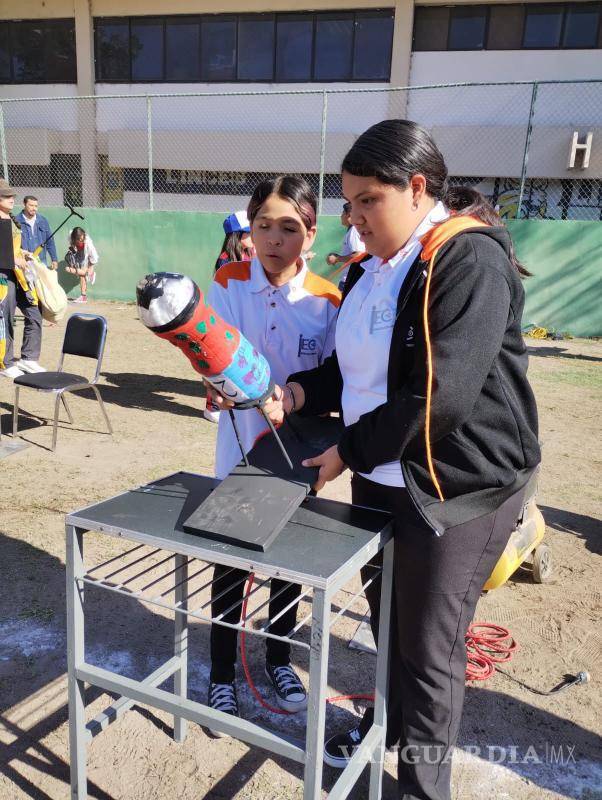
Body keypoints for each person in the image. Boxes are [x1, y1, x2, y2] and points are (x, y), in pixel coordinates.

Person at [263, 120, 541, 800]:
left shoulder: (465, 261)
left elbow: (436, 400)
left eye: (368, 202)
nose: (354, 219)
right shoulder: (373, 269)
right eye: (349, 203)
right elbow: (357, 370)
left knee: (428, 653)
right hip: (382, 475)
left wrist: (344, 452)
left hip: (455, 487)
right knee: (389, 624)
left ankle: (421, 788)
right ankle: (383, 725)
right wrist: (303, 390)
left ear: (417, 188)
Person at [205, 175, 341, 731]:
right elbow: (210, 352)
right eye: (263, 225)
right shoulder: (228, 281)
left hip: (300, 450)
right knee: (231, 561)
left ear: (310, 234)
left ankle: (280, 659)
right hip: (237, 445)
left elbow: (334, 380)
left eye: (289, 228)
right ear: (249, 227)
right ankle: (220, 674)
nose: (274, 239)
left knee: (287, 561)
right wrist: (214, 381)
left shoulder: (328, 299)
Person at [0, 179, 45, 378]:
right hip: (4, 275)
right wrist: (15, 259)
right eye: (7, 196)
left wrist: (23, 254)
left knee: (34, 312)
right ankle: (5, 362)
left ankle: (29, 358)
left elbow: (12, 246)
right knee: (6, 318)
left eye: (12, 196)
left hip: (20, 275)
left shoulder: (10, 218)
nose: (12, 199)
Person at [326, 201, 365, 290]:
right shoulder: (353, 230)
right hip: (350, 280)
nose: (341, 216)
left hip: (349, 281)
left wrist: (337, 258)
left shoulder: (354, 231)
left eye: (343, 213)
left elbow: (358, 255)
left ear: (348, 215)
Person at [16, 195, 59, 270]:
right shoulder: (16, 221)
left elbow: (50, 241)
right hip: (24, 263)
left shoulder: (43, 221)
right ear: (24, 204)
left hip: (41, 262)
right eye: (31, 205)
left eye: (36, 206)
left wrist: (54, 259)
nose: (34, 208)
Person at [65, 226, 98, 304]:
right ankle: (83, 296)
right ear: (74, 238)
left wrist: (90, 268)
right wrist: (72, 250)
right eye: (79, 239)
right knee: (70, 269)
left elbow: (94, 257)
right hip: (78, 253)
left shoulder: (88, 244)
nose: (81, 241)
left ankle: (83, 296)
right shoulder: (71, 236)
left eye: (82, 239)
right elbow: (71, 246)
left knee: (81, 273)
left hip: (88, 256)